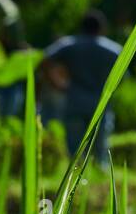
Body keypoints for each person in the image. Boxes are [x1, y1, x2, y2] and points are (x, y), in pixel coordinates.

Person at [39, 10, 122, 166]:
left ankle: (75, 181)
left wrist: (57, 83)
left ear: (81, 27)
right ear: (102, 28)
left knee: (75, 151)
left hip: (74, 101)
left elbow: (44, 60)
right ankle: (100, 180)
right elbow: (123, 75)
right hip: (100, 103)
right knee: (100, 149)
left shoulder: (69, 45)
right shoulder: (113, 50)